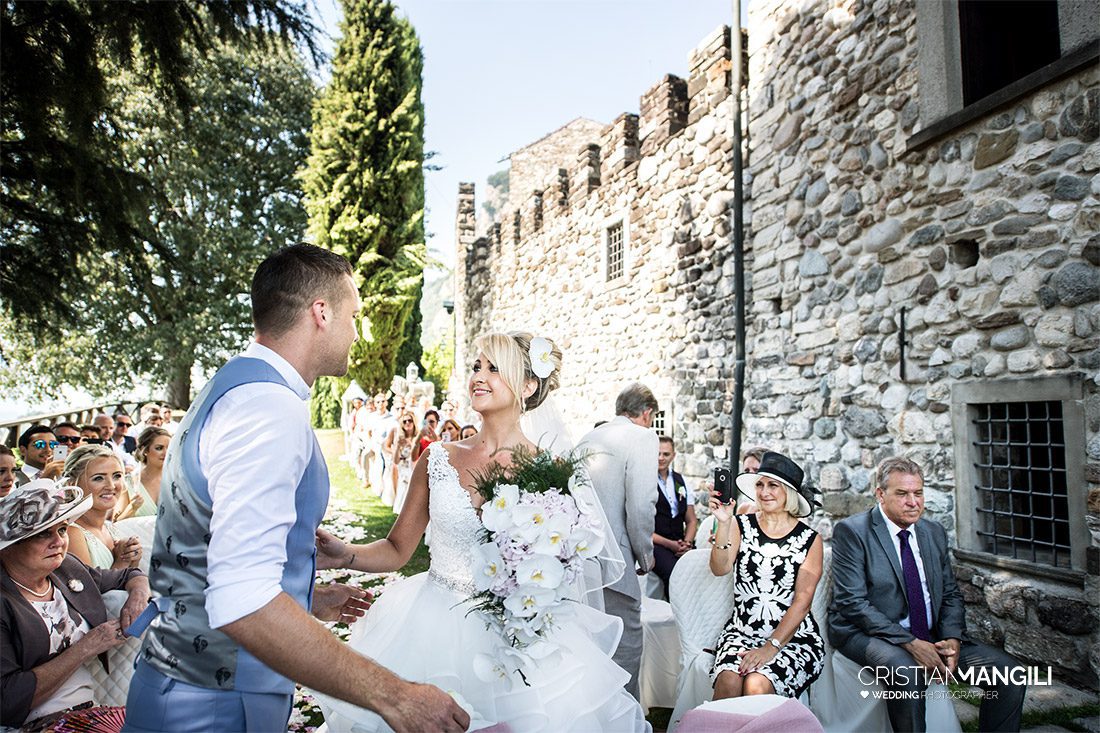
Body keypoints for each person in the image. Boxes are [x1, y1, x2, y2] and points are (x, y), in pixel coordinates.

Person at [122, 244, 467, 733]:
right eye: (354, 315)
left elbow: (213, 553)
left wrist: (302, 599)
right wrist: (395, 696)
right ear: (321, 313)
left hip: (197, 686)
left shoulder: (239, 385)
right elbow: (242, 597)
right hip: (213, 706)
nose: (357, 331)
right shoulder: (267, 407)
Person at [314, 331, 648, 732]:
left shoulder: (553, 471)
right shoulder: (435, 458)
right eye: (476, 366)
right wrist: (344, 553)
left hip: (519, 635)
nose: (479, 376)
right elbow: (397, 548)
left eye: (494, 368)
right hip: (433, 626)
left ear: (528, 385)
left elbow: (566, 566)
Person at [828, 456, 1027, 732]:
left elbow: (949, 594)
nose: (913, 502)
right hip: (865, 633)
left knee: (1010, 674)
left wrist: (952, 638)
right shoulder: (853, 531)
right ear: (880, 495)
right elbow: (852, 603)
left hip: (930, 636)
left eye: (918, 493)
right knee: (907, 673)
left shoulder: (932, 531)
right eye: (903, 494)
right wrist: (910, 643)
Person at [0, 479, 150, 728]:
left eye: (61, 530)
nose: (59, 541)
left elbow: (130, 575)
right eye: (43, 534)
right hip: (36, 723)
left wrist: (137, 598)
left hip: (91, 712)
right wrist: (87, 646)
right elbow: (7, 700)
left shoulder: (67, 568)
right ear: (7, 548)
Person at [708, 451, 824, 700]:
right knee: (729, 681)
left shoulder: (811, 540)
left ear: (789, 493)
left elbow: (802, 602)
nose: (764, 492)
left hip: (793, 638)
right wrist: (724, 523)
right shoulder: (741, 525)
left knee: (756, 685)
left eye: (773, 485)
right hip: (741, 632)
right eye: (760, 484)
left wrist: (770, 648)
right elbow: (720, 568)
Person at [577, 382, 660, 699]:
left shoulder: (588, 437)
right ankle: (625, 723)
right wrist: (645, 555)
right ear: (647, 413)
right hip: (617, 562)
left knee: (592, 644)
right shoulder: (642, 436)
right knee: (626, 645)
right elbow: (641, 505)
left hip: (581, 559)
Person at [61, 445, 142, 570]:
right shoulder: (72, 533)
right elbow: (88, 588)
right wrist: (123, 561)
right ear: (72, 484)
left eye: (117, 476)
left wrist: (133, 559)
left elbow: (129, 579)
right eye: (98, 478)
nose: (111, 486)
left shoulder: (109, 528)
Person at [652, 436, 697, 597]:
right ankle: (675, 615)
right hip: (656, 543)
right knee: (674, 574)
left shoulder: (681, 480)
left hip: (680, 542)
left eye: (666, 454)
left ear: (673, 455)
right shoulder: (645, 481)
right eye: (657, 453)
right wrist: (670, 544)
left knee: (699, 569)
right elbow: (640, 527)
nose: (661, 458)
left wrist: (687, 543)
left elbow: (691, 520)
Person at [114, 427, 170, 520]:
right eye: (159, 448)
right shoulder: (128, 483)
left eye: (169, 448)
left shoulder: (178, 481)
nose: (166, 453)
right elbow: (116, 524)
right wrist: (132, 508)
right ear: (145, 450)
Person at [389, 411, 417, 514]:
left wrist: (411, 444)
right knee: (402, 504)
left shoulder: (417, 438)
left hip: (414, 471)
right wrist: (398, 447)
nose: (407, 423)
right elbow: (396, 461)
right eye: (404, 421)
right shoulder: (400, 439)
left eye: (410, 421)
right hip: (403, 471)